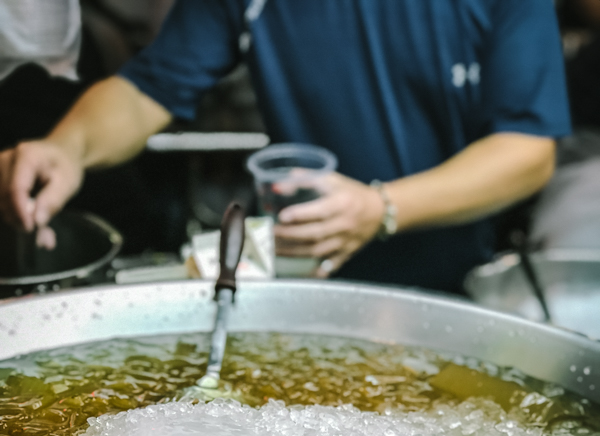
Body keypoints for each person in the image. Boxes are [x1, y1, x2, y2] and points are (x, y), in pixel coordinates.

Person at [0, 0, 570, 293]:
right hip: (301, 284)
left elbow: (527, 148)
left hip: (451, 288)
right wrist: (66, 147)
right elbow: (148, 89)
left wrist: (381, 207)